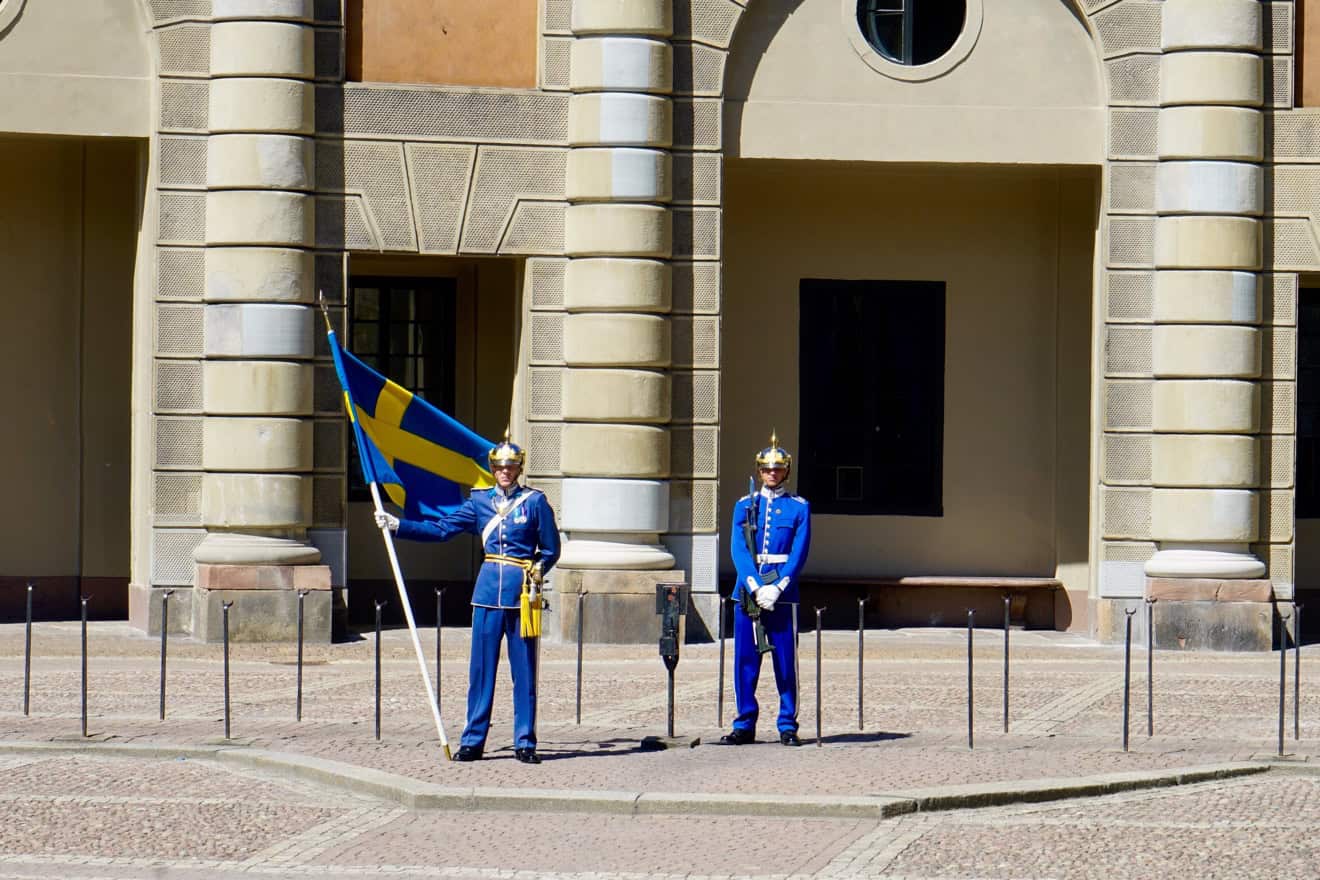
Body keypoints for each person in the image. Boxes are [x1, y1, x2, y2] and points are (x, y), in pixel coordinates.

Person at [375, 435, 560, 764]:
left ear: (519, 469)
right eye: (500, 466)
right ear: (493, 469)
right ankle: (473, 741)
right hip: (487, 594)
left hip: (522, 596)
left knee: (525, 672)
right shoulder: (479, 502)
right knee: (481, 672)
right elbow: (442, 529)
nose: (505, 471)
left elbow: (550, 549)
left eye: (511, 466)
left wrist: (536, 570)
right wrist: (399, 526)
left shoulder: (534, 502)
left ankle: (525, 741)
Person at [722, 434, 812, 746]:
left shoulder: (799, 507)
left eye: (778, 469)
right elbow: (738, 550)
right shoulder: (744, 506)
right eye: (767, 469)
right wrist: (755, 585)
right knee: (745, 662)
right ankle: (744, 723)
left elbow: (799, 552)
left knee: (785, 662)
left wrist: (779, 587)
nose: (772, 473)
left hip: (782, 596)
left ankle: (787, 724)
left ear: (786, 471)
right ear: (759, 471)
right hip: (748, 593)